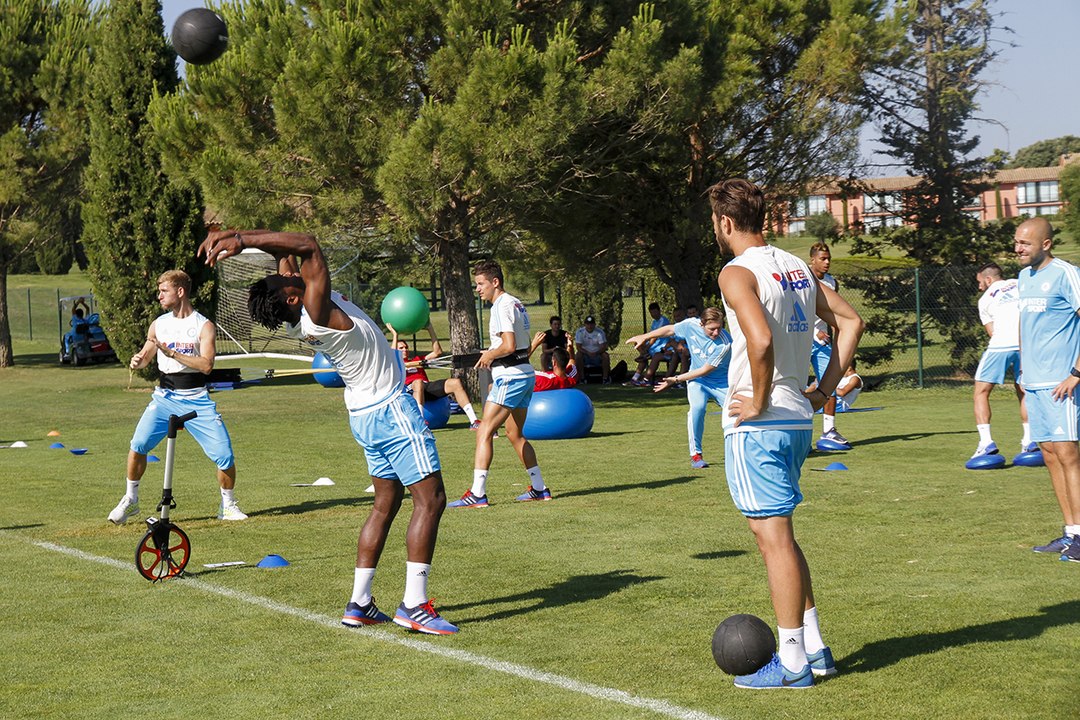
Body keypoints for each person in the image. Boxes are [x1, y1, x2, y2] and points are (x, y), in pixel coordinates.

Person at [200, 229, 457, 634]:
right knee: (432, 500)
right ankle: (414, 605)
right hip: (390, 409)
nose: (289, 272)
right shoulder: (316, 309)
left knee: (384, 505)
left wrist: (243, 240)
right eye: (285, 279)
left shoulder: (300, 306)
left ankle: (360, 602)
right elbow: (307, 243)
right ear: (291, 297)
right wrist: (239, 236)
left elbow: (286, 252)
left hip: (363, 413)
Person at [710, 178, 863, 689]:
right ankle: (815, 648)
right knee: (784, 540)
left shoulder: (735, 272)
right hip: (798, 418)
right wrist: (823, 393)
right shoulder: (796, 265)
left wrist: (755, 399)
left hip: (760, 425)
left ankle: (794, 663)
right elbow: (851, 322)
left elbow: (759, 338)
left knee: (773, 542)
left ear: (725, 222)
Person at [107, 270, 246, 525]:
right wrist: (138, 361)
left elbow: (206, 365)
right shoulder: (159, 324)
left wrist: (174, 355)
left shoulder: (203, 326)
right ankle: (130, 500)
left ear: (180, 291)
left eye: (164, 291)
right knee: (138, 445)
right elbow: (147, 354)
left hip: (196, 399)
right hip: (164, 398)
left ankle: (228, 505)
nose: (159, 296)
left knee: (224, 454)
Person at [449, 260, 549, 507]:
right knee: (515, 434)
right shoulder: (515, 302)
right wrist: (491, 352)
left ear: (495, 282)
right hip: (524, 374)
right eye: (476, 285)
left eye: (481, 284)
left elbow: (509, 345)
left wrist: (490, 355)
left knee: (483, 431)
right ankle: (540, 489)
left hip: (512, 376)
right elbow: (513, 346)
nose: (478, 289)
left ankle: (477, 494)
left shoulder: (500, 306)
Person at [1014, 217, 1080, 563]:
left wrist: (1076, 374)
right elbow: (1026, 326)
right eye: (1016, 242)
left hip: (1062, 385)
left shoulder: (1067, 274)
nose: (1018, 248)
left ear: (1046, 244)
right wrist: (1023, 370)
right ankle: (1071, 533)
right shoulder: (1024, 277)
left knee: (1069, 455)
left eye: (1025, 243)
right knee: (1050, 455)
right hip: (1035, 384)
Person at [626, 307, 732, 469]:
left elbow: (704, 370)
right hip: (698, 381)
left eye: (719, 327)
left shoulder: (725, 343)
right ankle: (696, 455)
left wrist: (674, 379)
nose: (716, 332)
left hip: (721, 382)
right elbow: (670, 329)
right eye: (712, 329)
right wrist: (645, 336)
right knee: (697, 409)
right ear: (701, 324)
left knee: (735, 414)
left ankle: (736, 452)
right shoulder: (691, 325)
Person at [971, 262, 1031, 459]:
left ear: (988, 280)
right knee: (1024, 391)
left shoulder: (984, 300)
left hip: (1001, 345)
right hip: (1027, 345)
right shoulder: (1022, 283)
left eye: (980, 282)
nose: (979, 287)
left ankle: (986, 442)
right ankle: (1029, 441)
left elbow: (992, 332)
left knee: (981, 391)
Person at [389, 322, 481, 428]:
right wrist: (395, 335)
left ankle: (474, 421)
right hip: (410, 391)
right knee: (418, 382)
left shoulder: (417, 360)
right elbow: (392, 355)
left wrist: (430, 329)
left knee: (455, 383)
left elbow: (437, 352)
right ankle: (421, 422)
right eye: (401, 348)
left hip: (426, 388)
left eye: (406, 347)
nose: (405, 349)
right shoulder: (395, 363)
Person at [807, 242, 848, 448]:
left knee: (828, 384)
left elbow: (836, 313)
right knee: (794, 384)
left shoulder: (832, 282)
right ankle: (798, 429)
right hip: (802, 339)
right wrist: (815, 332)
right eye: (822, 259)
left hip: (823, 343)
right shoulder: (803, 280)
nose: (827, 262)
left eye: (828, 259)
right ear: (812, 260)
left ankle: (829, 431)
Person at [626, 302, 676, 387]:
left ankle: (643, 376)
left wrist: (647, 347)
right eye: (651, 313)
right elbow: (650, 335)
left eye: (655, 312)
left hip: (661, 346)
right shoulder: (654, 322)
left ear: (659, 311)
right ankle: (635, 378)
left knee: (644, 357)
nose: (653, 314)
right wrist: (645, 344)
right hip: (654, 346)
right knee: (637, 345)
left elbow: (655, 337)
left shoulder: (663, 320)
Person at [573, 315, 611, 384]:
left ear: (594, 325)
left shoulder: (600, 332)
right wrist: (587, 353)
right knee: (578, 355)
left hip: (597, 354)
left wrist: (596, 353)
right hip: (585, 354)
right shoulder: (580, 332)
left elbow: (603, 346)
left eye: (591, 324)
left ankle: (605, 378)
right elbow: (578, 347)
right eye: (588, 324)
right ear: (585, 324)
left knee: (605, 356)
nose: (590, 326)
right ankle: (582, 378)